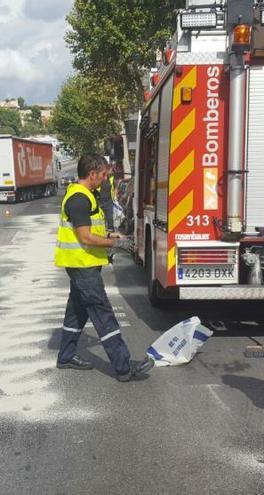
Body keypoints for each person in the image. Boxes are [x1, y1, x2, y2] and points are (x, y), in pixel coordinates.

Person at [55, 153, 154, 382]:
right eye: (103, 175)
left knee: (77, 311)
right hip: (83, 265)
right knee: (103, 313)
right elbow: (86, 238)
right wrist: (115, 243)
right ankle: (123, 367)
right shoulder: (79, 199)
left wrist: (112, 234)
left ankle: (66, 356)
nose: (105, 179)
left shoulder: (87, 195)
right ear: (92, 174)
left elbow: (93, 230)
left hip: (83, 263)